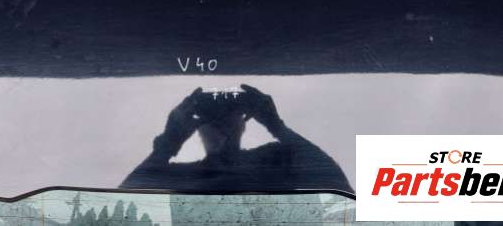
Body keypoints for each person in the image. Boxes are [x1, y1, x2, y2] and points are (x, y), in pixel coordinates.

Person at [121, 84, 353, 194]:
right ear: (197, 128)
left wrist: (276, 125)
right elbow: (122, 203)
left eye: (229, 113)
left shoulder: (275, 159)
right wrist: (170, 141)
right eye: (210, 116)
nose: (220, 122)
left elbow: (337, 187)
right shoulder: (182, 176)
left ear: (243, 122)